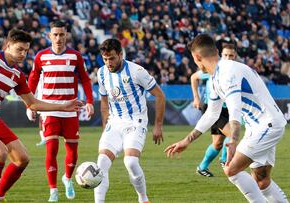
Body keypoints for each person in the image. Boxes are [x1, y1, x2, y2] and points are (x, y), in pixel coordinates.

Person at [0, 28, 82, 203]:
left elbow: (33, 103)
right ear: (8, 45)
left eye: (26, 50)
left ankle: (0, 195)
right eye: (19, 49)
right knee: (0, 153)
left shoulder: (18, 76)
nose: (23, 54)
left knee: (22, 159)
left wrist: (64, 106)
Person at [165, 34, 288, 203]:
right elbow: (211, 114)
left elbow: (234, 108)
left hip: (266, 125)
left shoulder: (227, 72)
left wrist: (234, 139)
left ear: (196, 57)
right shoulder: (216, 78)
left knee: (231, 170)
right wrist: (187, 141)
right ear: (216, 51)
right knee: (261, 181)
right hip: (261, 125)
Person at [26, 20, 94, 202]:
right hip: (49, 110)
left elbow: (86, 80)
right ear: (49, 36)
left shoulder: (75, 56)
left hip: (70, 110)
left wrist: (89, 101)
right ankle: (53, 191)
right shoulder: (40, 57)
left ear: (67, 35)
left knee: (72, 152)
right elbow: (32, 80)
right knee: (52, 150)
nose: (58, 38)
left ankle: (68, 179)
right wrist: (29, 105)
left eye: (62, 34)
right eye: (55, 34)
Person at [94, 38, 165, 203]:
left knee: (131, 161)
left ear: (120, 54)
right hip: (115, 122)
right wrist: (106, 126)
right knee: (102, 162)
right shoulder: (102, 73)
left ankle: (143, 198)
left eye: (111, 58)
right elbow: (104, 102)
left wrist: (158, 126)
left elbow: (160, 95)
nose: (108, 63)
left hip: (135, 122)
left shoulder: (137, 71)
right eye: (105, 59)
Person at [190, 44, 237, 177]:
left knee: (217, 144)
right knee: (232, 134)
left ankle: (202, 167)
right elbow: (194, 77)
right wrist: (196, 98)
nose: (228, 58)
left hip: (227, 109)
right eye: (225, 55)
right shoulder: (215, 69)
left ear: (235, 56)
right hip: (212, 109)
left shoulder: (236, 71)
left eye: (231, 55)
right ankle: (224, 160)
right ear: (221, 55)